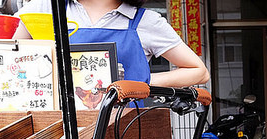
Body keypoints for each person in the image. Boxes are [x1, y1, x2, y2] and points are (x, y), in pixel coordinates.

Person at [13, 0, 209, 88]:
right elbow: (11, 58)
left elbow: (199, 71)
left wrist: (140, 82)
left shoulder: (146, 21)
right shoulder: (45, 7)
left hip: (121, 131)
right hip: (58, 130)